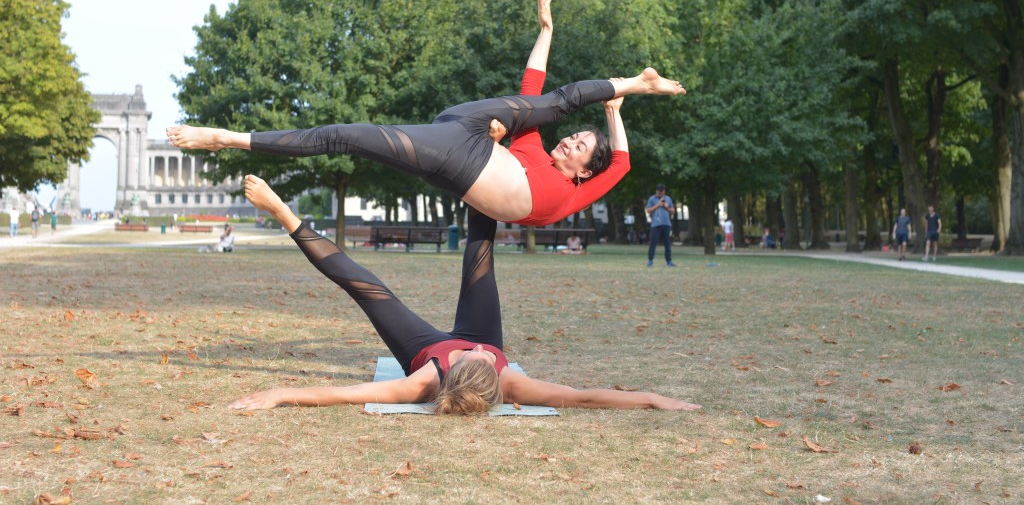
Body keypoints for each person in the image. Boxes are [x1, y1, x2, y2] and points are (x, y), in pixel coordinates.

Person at [166, 0, 686, 227]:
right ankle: (637, 83)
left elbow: (621, 164)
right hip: (464, 135)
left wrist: (613, 115)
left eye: (578, 147)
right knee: (548, 103)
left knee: (345, 136)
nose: (570, 142)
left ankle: (228, 139)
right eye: (574, 138)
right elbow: (532, 87)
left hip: (456, 156)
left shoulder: (574, 191)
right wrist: (545, 31)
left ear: (583, 171)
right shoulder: (532, 151)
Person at [228, 175, 701, 414]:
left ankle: (284, 213)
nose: (478, 350)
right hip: (478, 331)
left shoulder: (423, 382)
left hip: (421, 349)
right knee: (480, 255)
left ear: (451, 373)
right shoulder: (508, 380)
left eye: (473, 356)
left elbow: (346, 394)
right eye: (485, 358)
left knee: (366, 287)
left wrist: (281, 393)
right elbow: (584, 398)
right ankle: (486, 170)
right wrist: (652, 399)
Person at [645, 184, 676, 267]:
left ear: (664, 191)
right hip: (655, 225)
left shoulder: (668, 199)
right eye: (659, 192)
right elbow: (648, 210)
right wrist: (657, 205)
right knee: (653, 243)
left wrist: (666, 206)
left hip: (666, 224)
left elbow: (673, 211)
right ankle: (650, 260)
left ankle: (669, 261)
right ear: (656, 191)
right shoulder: (652, 199)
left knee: (667, 243)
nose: (660, 194)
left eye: (662, 193)